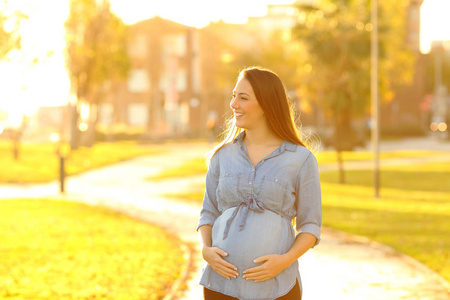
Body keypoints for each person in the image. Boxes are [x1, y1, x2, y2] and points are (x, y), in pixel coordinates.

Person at [197, 66, 322, 300]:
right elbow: (208, 213)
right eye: (234, 96)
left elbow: (311, 226)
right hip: (221, 285)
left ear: (267, 104)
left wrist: (284, 261)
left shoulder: (301, 159)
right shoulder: (222, 156)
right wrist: (206, 251)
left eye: (243, 98)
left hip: (277, 286)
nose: (234, 104)